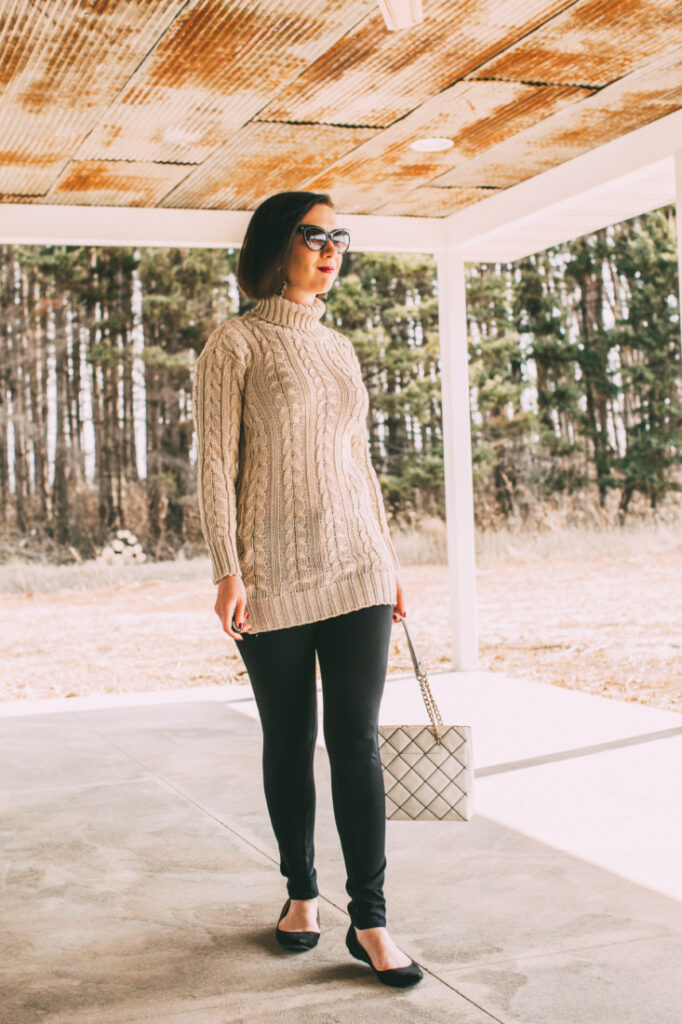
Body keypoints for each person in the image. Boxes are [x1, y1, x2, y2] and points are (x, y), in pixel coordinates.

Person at [191, 191, 423, 989]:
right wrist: (227, 566)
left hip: (357, 565)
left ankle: (372, 920)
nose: (331, 248)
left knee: (355, 741)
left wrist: (388, 560)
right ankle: (300, 894)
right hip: (273, 575)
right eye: (312, 235)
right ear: (276, 246)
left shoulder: (339, 348)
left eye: (339, 237)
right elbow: (215, 465)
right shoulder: (235, 343)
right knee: (289, 739)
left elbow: (360, 465)